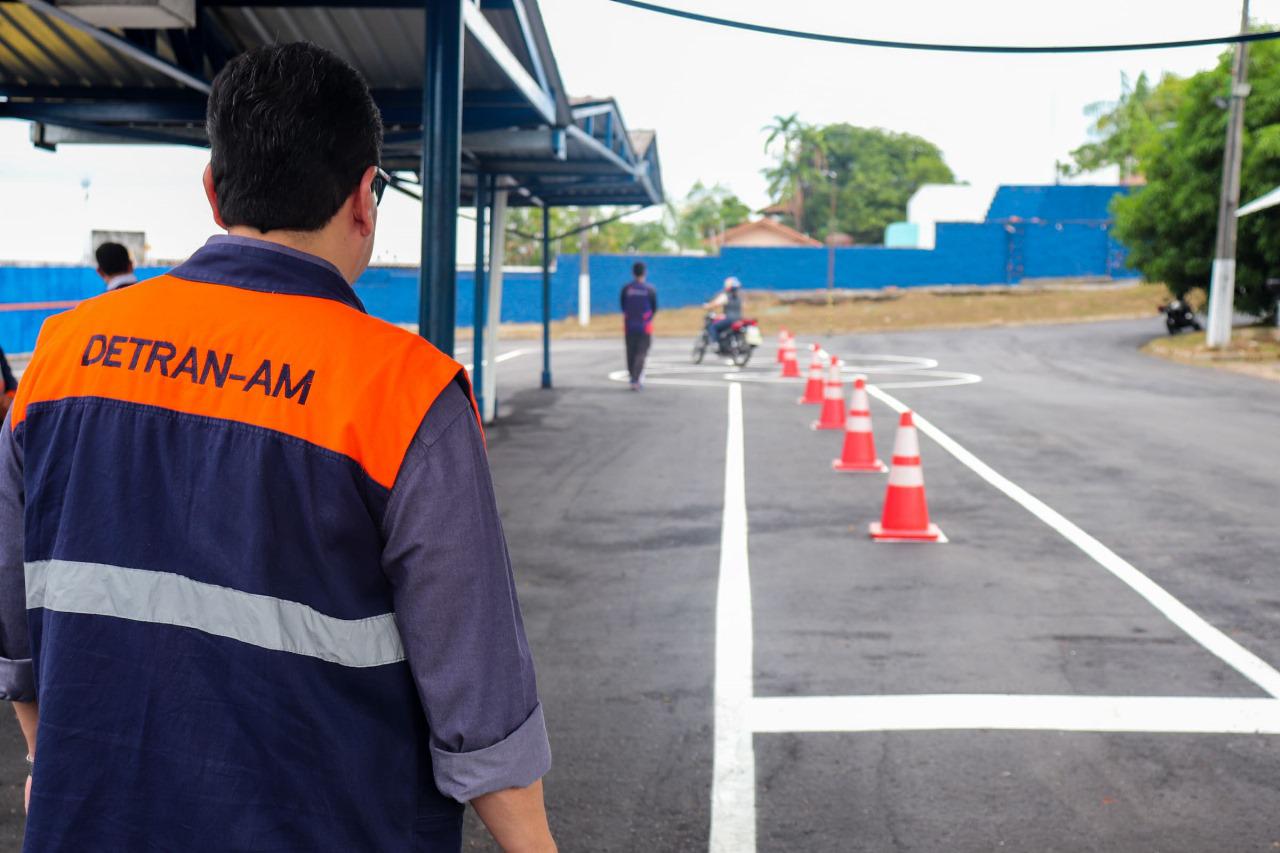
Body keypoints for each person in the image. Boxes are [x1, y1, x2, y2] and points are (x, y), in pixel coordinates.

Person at [0, 43, 554, 853]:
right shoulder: (406, 391)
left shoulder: (58, 357)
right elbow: (482, 707)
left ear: (214, 191)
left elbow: (20, 629)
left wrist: (49, 756)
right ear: (366, 197)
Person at [620, 261, 657, 390]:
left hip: (629, 326)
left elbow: (623, 306)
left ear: (633, 273)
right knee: (641, 353)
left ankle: (633, 377)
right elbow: (654, 308)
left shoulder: (627, 289)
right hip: (644, 327)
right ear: (645, 272)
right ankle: (635, 379)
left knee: (630, 352)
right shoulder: (649, 289)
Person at [704, 276, 744, 349]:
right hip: (739, 319)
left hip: (729, 319)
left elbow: (715, 304)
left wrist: (707, 306)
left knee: (713, 326)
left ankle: (715, 343)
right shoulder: (738, 298)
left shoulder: (726, 296)